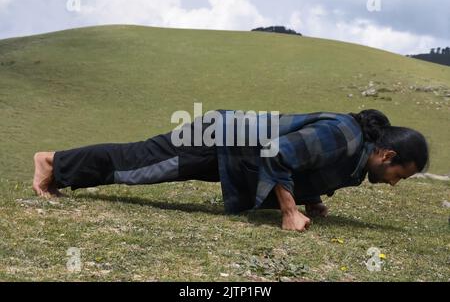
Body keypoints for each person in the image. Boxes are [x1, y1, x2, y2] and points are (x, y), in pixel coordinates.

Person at [32, 109, 428, 232]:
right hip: (219, 138)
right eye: (400, 175)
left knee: (140, 163)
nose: (395, 183)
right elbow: (277, 153)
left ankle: (59, 164)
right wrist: (289, 212)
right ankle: (54, 162)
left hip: (232, 149)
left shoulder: (354, 155)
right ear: (388, 155)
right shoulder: (344, 136)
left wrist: (310, 200)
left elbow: (307, 165)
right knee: (138, 165)